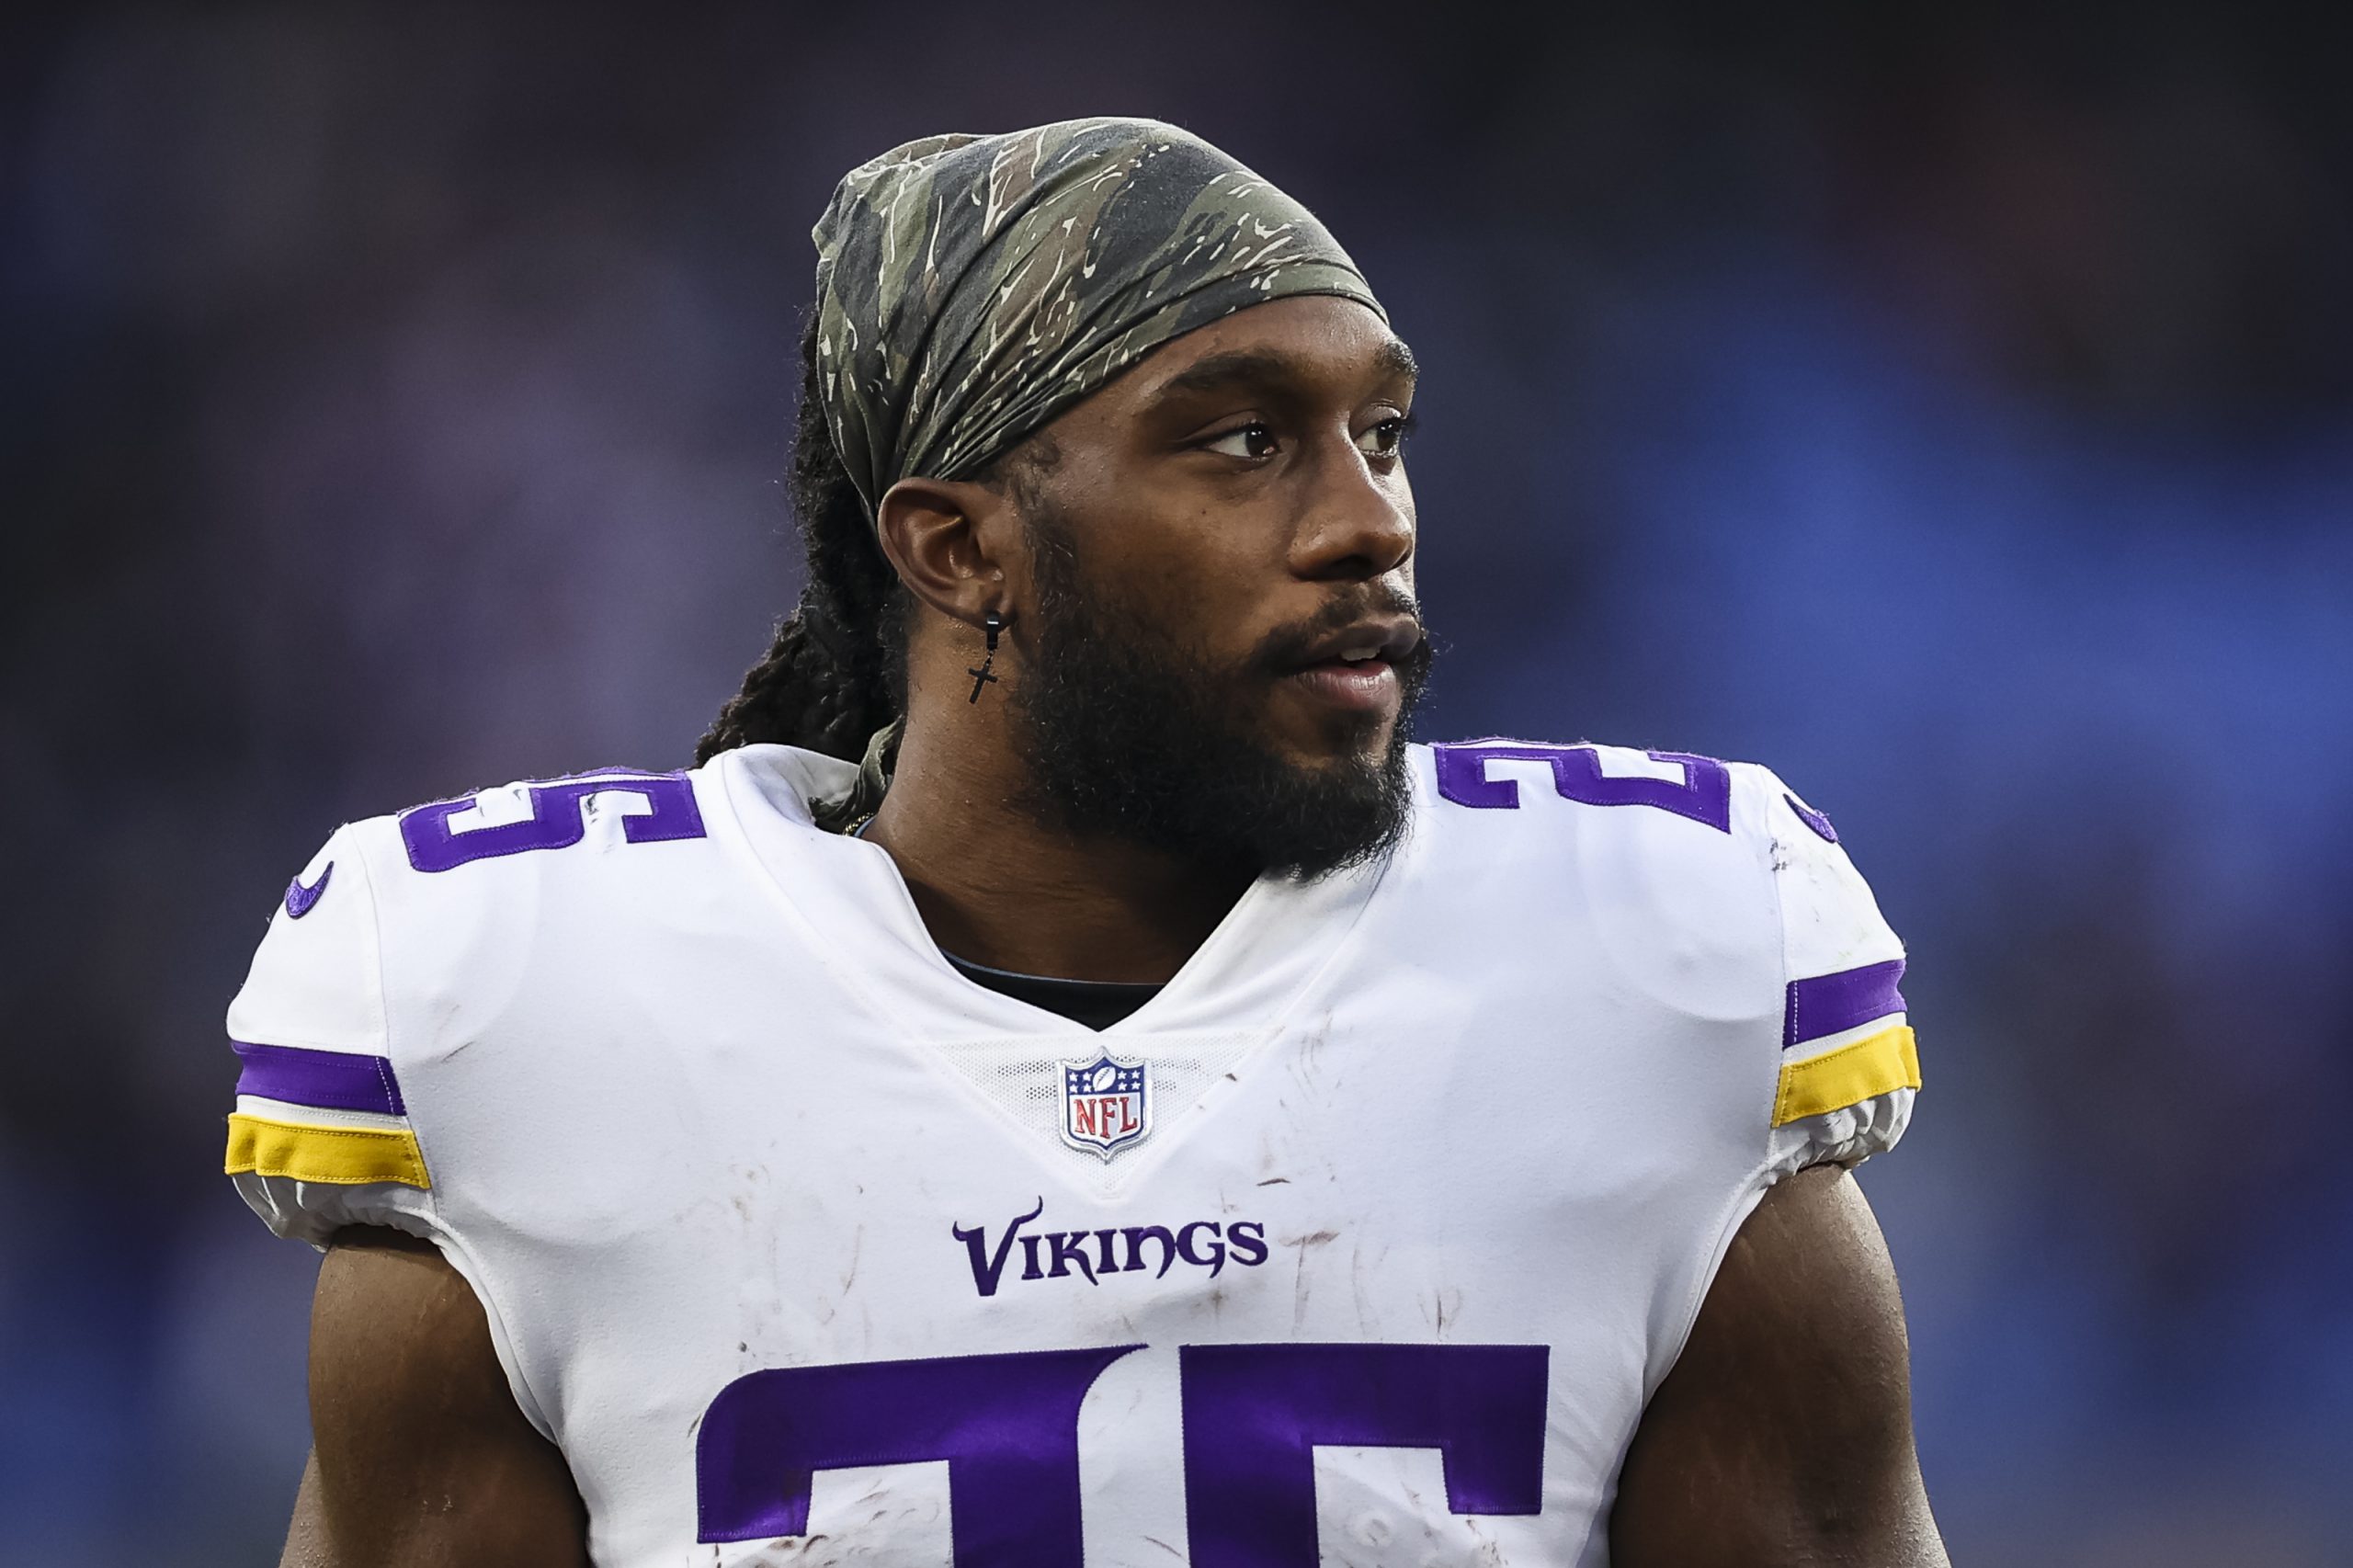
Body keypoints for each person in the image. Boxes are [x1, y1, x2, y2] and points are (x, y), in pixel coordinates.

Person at [227, 118, 1948, 1567]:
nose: (1369, 522)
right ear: (958, 546)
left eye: (1384, 435)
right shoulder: (523, 1018)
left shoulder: (1656, 964)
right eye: (1244, 440)